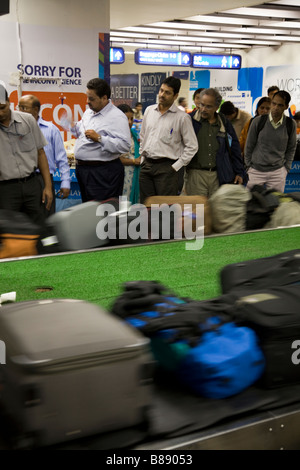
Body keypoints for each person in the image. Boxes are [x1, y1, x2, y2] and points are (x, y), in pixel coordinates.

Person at [138, 76, 198, 203]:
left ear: (175, 96)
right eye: (161, 90)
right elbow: (143, 135)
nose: (162, 95)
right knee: (146, 206)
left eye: (167, 92)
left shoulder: (182, 118)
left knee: (165, 210)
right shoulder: (149, 110)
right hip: (147, 166)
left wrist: (176, 166)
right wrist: (142, 157)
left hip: (167, 168)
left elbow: (192, 146)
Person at [71, 78, 131, 203]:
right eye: (87, 97)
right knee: (88, 212)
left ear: (104, 98)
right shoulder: (88, 113)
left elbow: (125, 146)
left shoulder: (117, 116)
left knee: (103, 214)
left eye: (91, 99)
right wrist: (73, 127)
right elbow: (82, 133)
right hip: (84, 171)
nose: (87, 102)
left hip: (103, 173)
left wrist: (100, 139)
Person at [0, 85, 53, 226]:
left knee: (39, 227)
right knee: (10, 232)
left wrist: (48, 186)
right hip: (6, 190)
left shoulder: (28, 120)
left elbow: (40, 153)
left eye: (2, 107)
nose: (0, 113)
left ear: (9, 102)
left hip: (32, 185)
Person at [185, 88, 246, 198]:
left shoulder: (224, 123)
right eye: (202, 104)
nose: (203, 109)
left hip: (219, 175)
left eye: (208, 106)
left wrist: (239, 172)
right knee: (197, 212)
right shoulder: (190, 121)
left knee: (217, 211)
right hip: (195, 175)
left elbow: (234, 148)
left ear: (217, 107)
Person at [18, 94, 70, 216]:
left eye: (24, 108)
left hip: (43, 180)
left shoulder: (51, 129)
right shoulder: (16, 129)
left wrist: (65, 182)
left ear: (36, 110)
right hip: (22, 180)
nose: (20, 111)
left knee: (45, 217)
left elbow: (61, 159)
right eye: (19, 107)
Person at [244, 90, 297, 193]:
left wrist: (286, 169)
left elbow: (291, 147)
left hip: (278, 172)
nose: (276, 108)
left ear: (286, 106)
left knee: (275, 205)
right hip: (256, 170)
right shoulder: (258, 121)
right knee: (251, 204)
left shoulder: (291, 124)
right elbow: (249, 145)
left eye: (280, 105)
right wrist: (248, 167)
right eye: (274, 104)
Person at [118, 104, 141, 204]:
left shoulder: (134, 134)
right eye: (126, 119)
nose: (130, 122)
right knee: (124, 201)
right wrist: (133, 161)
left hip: (135, 174)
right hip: (121, 175)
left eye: (131, 119)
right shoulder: (115, 136)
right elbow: (114, 159)